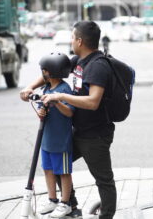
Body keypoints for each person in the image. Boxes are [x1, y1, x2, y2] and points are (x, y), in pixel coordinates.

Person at [20, 21, 117, 219]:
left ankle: (106, 216)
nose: (71, 41)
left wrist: (60, 96)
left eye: (72, 37)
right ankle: (69, 206)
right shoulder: (78, 61)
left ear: (80, 41)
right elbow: (51, 74)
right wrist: (30, 87)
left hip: (96, 134)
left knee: (103, 180)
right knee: (57, 164)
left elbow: (93, 102)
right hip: (78, 130)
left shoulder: (98, 66)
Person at [37, 53, 75, 218]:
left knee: (64, 172)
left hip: (61, 141)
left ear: (51, 71)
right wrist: (41, 111)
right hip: (47, 139)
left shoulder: (64, 90)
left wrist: (56, 101)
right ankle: (52, 199)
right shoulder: (46, 88)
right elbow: (41, 113)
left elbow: (69, 112)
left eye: (43, 70)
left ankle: (65, 203)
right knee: (48, 169)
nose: (42, 73)